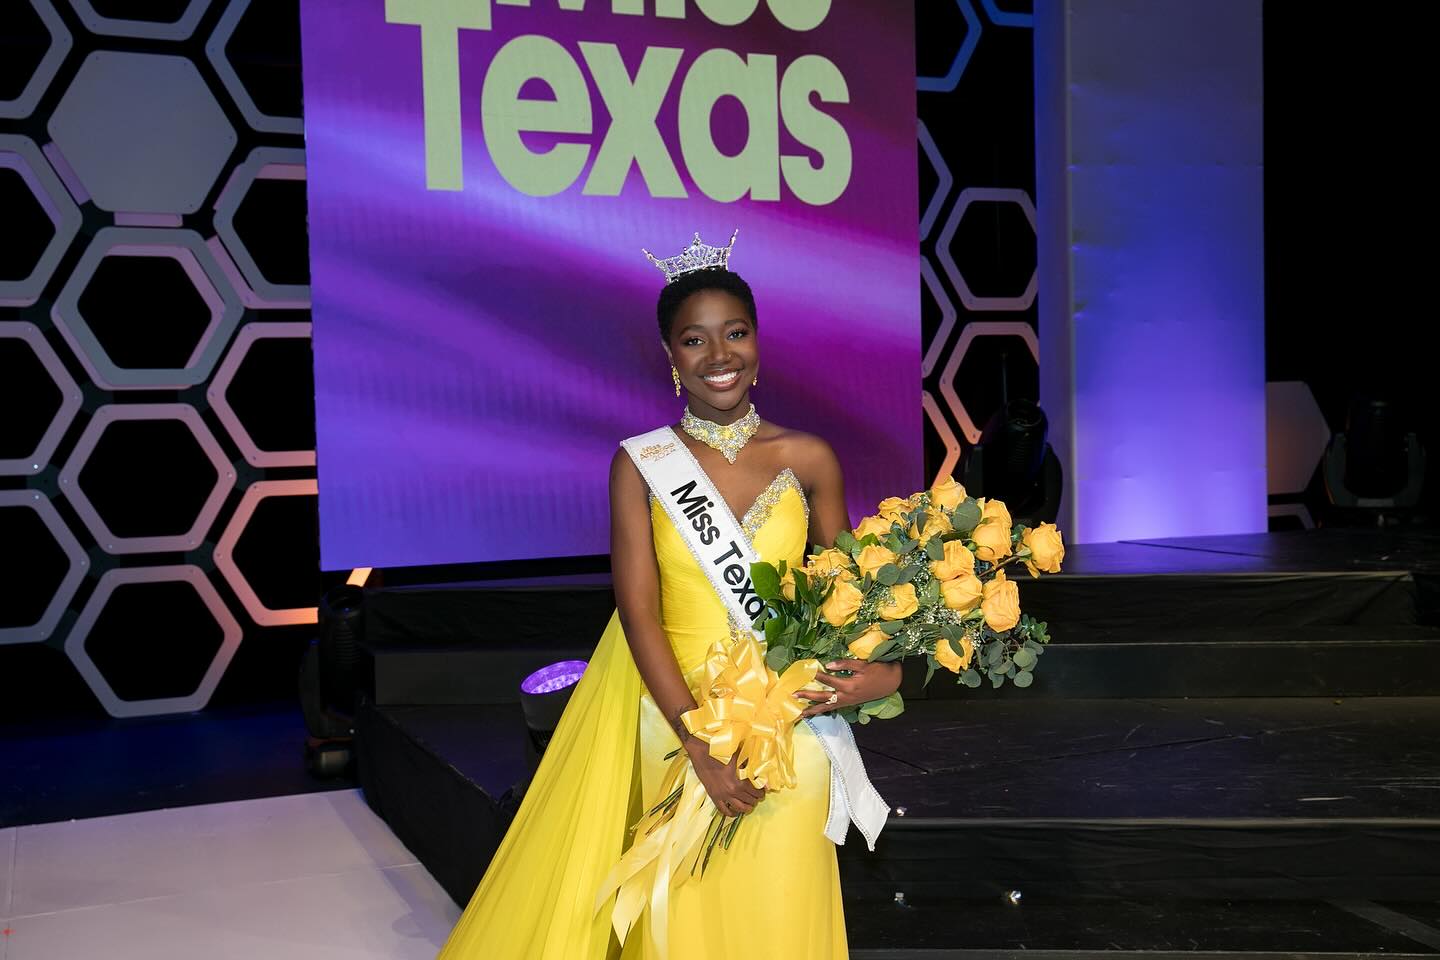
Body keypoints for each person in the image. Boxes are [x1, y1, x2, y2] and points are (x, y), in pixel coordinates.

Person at [436, 234, 902, 959]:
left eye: (736, 333)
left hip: (788, 724)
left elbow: (846, 597)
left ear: (758, 340)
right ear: (671, 356)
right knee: (681, 915)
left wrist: (884, 672)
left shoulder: (810, 458)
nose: (720, 356)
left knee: (781, 902)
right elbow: (638, 610)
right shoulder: (642, 462)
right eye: (695, 340)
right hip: (677, 718)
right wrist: (696, 740)